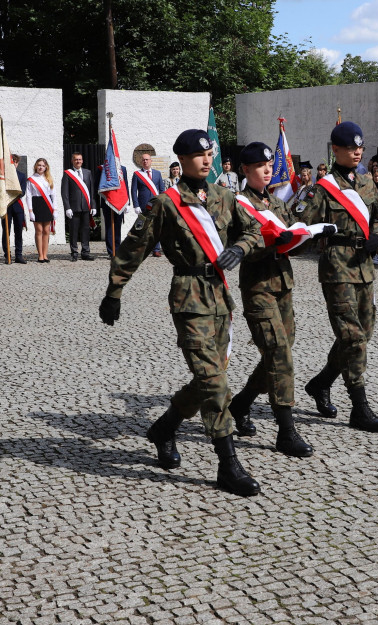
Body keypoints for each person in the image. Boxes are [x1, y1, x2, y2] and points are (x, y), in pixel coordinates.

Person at [98, 129, 262, 496]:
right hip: (189, 298)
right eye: (200, 155)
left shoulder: (223, 196)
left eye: (210, 154)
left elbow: (254, 230)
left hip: (220, 296)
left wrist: (240, 247)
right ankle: (227, 463)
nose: (207, 160)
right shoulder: (166, 203)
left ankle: (164, 428)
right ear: (182, 159)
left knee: (210, 377)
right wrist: (114, 291)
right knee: (215, 382)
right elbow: (133, 249)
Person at [295, 121, 378, 434]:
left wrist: (377, 236)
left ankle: (321, 383)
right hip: (337, 268)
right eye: (351, 147)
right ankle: (359, 408)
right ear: (336, 150)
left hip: (365, 266)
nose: (357, 151)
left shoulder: (366, 181)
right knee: (352, 337)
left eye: (360, 147)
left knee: (364, 333)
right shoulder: (323, 188)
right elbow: (299, 224)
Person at [227, 141, 318, 458]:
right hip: (258, 287)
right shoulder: (237, 204)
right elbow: (241, 241)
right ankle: (286, 431)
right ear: (246, 170)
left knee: (277, 354)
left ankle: (240, 403)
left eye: (269, 165)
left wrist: (306, 236)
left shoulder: (277, 204)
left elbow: (292, 234)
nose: (267, 170)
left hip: (283, 285)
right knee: (280, 355)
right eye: (260, 166)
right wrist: (270, 242)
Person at [61, 152, 96, 261]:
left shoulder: (88, 173)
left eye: (80, 159)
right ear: (72, 161)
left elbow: (91, 191)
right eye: (76, 159)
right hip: (73, 207)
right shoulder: (68, 174)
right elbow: (64, 192)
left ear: (82, 161)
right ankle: (74, 252)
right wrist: (67, 207)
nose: (78, 161)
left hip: (86, 206)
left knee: (85, 230)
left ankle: (85, 252)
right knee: (74, 231)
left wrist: (93, 205)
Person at [23, 158, 56, 263]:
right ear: (35, 166)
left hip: (47, 205)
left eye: (42, 165)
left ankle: (45, 254)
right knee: (39, 230)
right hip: (36, 204)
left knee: (46, 231)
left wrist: (55, 210)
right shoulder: (31, 180)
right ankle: (40, 255)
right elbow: (28, 196)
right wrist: (30, 211)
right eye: (39, 165)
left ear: (46, 167)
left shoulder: (48, 179)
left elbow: (53, 195)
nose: (41, 167)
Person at [1, 154, 28, 264]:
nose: (14, 164)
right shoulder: (2, 177)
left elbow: (22, 192)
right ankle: (7, 255)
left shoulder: (22, 176)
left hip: (17, 206)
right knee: (6, 231)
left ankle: (19, 255)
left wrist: (11, 195)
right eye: (12, 162)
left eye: (16, 162)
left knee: (18, 231)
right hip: (6, 207)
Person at [100, 162, 128, 257]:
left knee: (118, 226)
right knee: (109, 226)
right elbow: (97, 187)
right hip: (107, 202)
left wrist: (127, 203)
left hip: (120, 202)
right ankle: (111, 251)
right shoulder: (101, 169)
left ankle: (117, 248)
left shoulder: (122, 169)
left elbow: (125, 185)